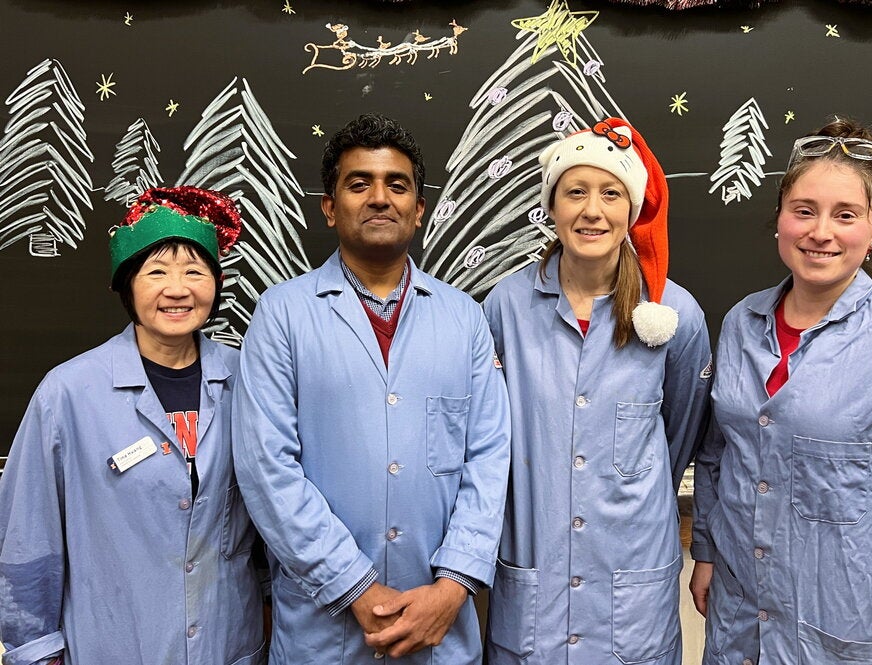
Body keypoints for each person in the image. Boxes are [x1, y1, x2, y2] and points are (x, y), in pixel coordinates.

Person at [690, 118, 872, 665]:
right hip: (740, 628)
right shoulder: (740, 323)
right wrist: (707, 550)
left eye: (845, 215)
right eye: (804, 210)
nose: (820, 231)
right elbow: (718, 454)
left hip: (846, 636)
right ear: (779, 220)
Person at [232, 113, 510, 664]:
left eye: (397, 185)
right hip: (324, 629)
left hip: (441, 623)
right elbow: (267, 468)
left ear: (419, 210)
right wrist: (352, 585)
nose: (380, 198)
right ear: (330, 207)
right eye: (359, 183)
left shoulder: (465, 319)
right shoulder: (282, 315)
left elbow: (489, 455)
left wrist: (453, 584)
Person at [0, 187, 265, 665]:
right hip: (113, 645)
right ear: (128, 285)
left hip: (228, 645)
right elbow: (27, 537)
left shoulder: (250, 381)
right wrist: (35, 651)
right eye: (156, 272)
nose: (178, 289)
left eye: (194, 271)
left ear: (215, 283)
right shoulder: (68, 393)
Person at [483, 118, 713, 664]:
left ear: (631, 209)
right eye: (575, 192)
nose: (593, 210)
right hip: (533, 590)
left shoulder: (674, 316)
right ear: (552, 206)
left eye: (611, 193)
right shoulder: (505, 309)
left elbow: (681, 438)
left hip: (630, 598)